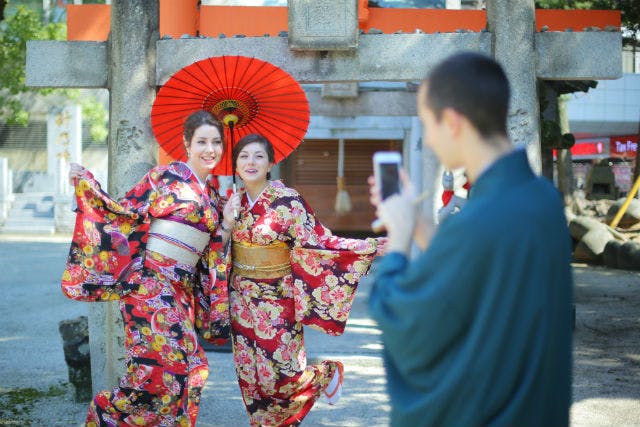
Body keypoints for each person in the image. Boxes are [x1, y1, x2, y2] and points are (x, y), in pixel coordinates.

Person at [368, 52, 573, 427]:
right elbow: (469, 276)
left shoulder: (480, 219)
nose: (428, 140)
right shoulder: (541, 199)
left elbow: (402, 317)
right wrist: (416, 223)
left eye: (427, 124)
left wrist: (397, 239)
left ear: (452, 121)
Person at [62, 110, 240, 426]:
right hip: (151, 286)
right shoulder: (165, 177)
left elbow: (211, 253)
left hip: (181, 291)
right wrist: (86, 186)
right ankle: (106, 415)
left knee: (178, 369)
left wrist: (226, 222)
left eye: (216, 142)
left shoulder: (212, 195)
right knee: (175, 367)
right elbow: (124, 213)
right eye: (202, 141)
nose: (209, 149)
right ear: (187, 142)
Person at [225, 133, 383, 427]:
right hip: (241, 297)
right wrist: (226, 222)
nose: (251, 162)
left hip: (278, 298)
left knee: (282, 376)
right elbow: (215, 247)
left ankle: (323, 373)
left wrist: (366, 246)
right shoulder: (230, 203)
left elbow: (319, 241)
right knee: (250, 374)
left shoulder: (288, 201)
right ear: (235, 165)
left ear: (271, 162)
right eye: (244, 156)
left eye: (259, 156)